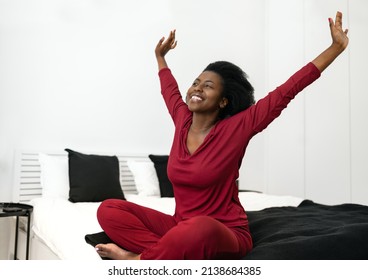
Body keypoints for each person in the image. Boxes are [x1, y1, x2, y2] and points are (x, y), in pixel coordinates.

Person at [95, 11, 349, 260]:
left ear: (224, 101)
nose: (197, 88)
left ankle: (140, 261)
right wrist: (160, 57)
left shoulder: (238, 128)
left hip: (224, 232)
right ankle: (168, 253)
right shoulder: (183, 120)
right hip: (180, 227)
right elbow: (168, 88)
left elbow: (288, 90)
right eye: (196, 82)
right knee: (109, 210)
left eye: (208, 86)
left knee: (198, 228)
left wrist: (335, 48)